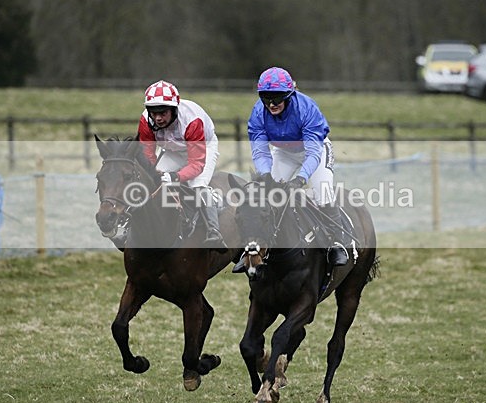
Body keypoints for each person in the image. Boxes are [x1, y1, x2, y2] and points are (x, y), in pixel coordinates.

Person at [232, 66, 349, 273]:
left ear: (289, 95)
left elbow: (313, 153)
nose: (272, 104)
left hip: (315, 151)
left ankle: (337, 242)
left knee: (322, 192)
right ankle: (254, 249)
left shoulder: (307, 109)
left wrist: (300, 179)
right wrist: (266, 175)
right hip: (284, 152)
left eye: (277, 98)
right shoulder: (258, 113)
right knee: (267, 195)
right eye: (266, 98)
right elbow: (260, 151)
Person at [137, 80, 227, 251]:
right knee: (151, 181)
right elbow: (147, 155)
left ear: (174, 109)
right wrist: (155, 175)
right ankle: (130, 228)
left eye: (163, 113)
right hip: (173, 151)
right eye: (154, 113)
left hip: (203, 148)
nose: (158, 118)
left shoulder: (192, 120)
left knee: (197, 185)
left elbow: (196, 164)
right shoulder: (145, 120)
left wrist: (175, 177)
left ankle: (214, 231)